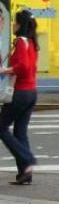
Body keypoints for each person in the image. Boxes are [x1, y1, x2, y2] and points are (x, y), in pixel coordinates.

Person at [0, 10, 39, 184]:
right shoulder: (31, 42)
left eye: (15, 22)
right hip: (31, 92)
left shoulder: (21, 42)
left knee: (1, 127)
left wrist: (5, 70)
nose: (13, 24)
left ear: (20, 25)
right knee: (20, 131)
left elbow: (23, 66)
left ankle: (27, 159)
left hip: (21, 92)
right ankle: (26, 173)